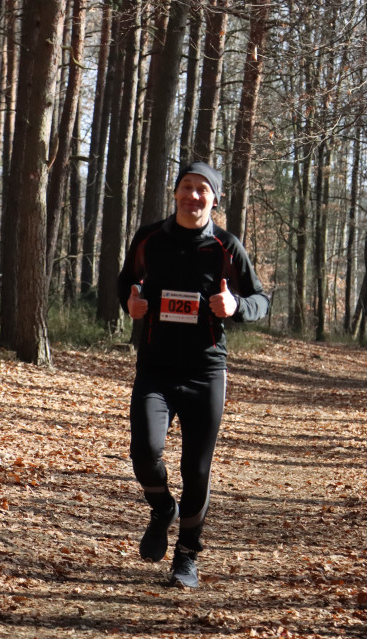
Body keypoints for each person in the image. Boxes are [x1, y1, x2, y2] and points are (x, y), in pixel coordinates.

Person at [117, 161, 269, 588]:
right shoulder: (150, 238)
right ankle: (162, 508)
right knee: (145, 453)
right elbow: (125, 282)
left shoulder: (225, 246)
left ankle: (186, 555)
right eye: (186, 187)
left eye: (202, 189)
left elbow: (261, 299)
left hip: (206, 371)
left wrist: (237, 308)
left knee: (196, 470)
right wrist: (129, 305)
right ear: (176, 193)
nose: (193, 196)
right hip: (156, 369)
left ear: (214, 198)